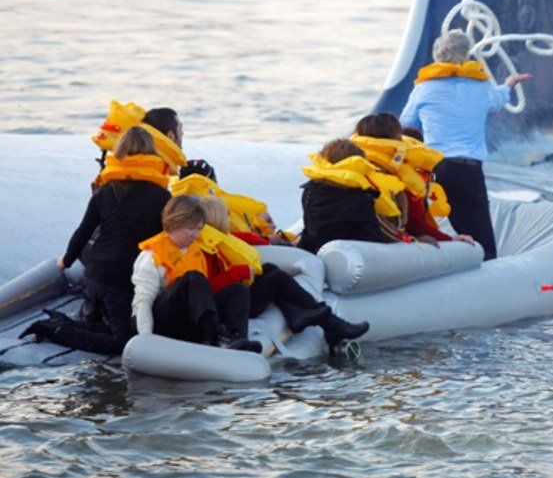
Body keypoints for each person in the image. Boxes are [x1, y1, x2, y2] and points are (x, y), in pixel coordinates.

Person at [40, 125, 176, 355]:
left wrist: (66, 261)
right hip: (123, 282)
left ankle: (87, 317)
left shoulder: (105, 191)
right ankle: (57, 329)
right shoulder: (162, 196)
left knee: (113, 326)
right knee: (126, 346)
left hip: (96, 275)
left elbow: (83, 232)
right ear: (152, 154)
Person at [400, 30, 532, 260]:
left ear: (437, 57)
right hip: (468, 169)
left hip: (434, 170)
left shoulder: (424, 89)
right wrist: (509, 85)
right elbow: (498, 100)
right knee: (480, 234)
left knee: (426, 223)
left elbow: (405, 123)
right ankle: (488, 273)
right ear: (467, 57)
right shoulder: (480, 88)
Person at [197, 196, 369, 352]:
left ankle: (310, 319)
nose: (229, 216)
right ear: (217, 218)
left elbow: (246, 239)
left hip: (235, 298)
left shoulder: (223, 239)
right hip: (227, 306)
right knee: (276, 279)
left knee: (270, 269)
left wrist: (263, 241)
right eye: (225, 213)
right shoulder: (204, 249)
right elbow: (206, 290)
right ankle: (330, 324)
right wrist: (238, 272)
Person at [131, 195, 259, 352]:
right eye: (190, 229)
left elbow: (203, 295)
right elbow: (142, 301)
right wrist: (146, 338)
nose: (196, 235)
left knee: (238, 290)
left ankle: (236, 338)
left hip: (191, 319)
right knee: (193, 278)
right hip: (167, 323)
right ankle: (215, 335)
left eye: (199, 229)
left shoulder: (195, 251)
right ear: (174, 223)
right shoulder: (151, 257)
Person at [350, 113, 474, 247]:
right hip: (380, 245)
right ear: (396, 138)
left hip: (343, 239)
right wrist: (449, 240)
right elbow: (415, 223)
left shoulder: (349, 166)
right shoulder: (400, 174)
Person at [297, 138, 409, 253]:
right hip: (352, 257)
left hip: (315, 250)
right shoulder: (361, 198)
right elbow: (373, 237)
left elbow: (310, 228)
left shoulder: (309, 191)